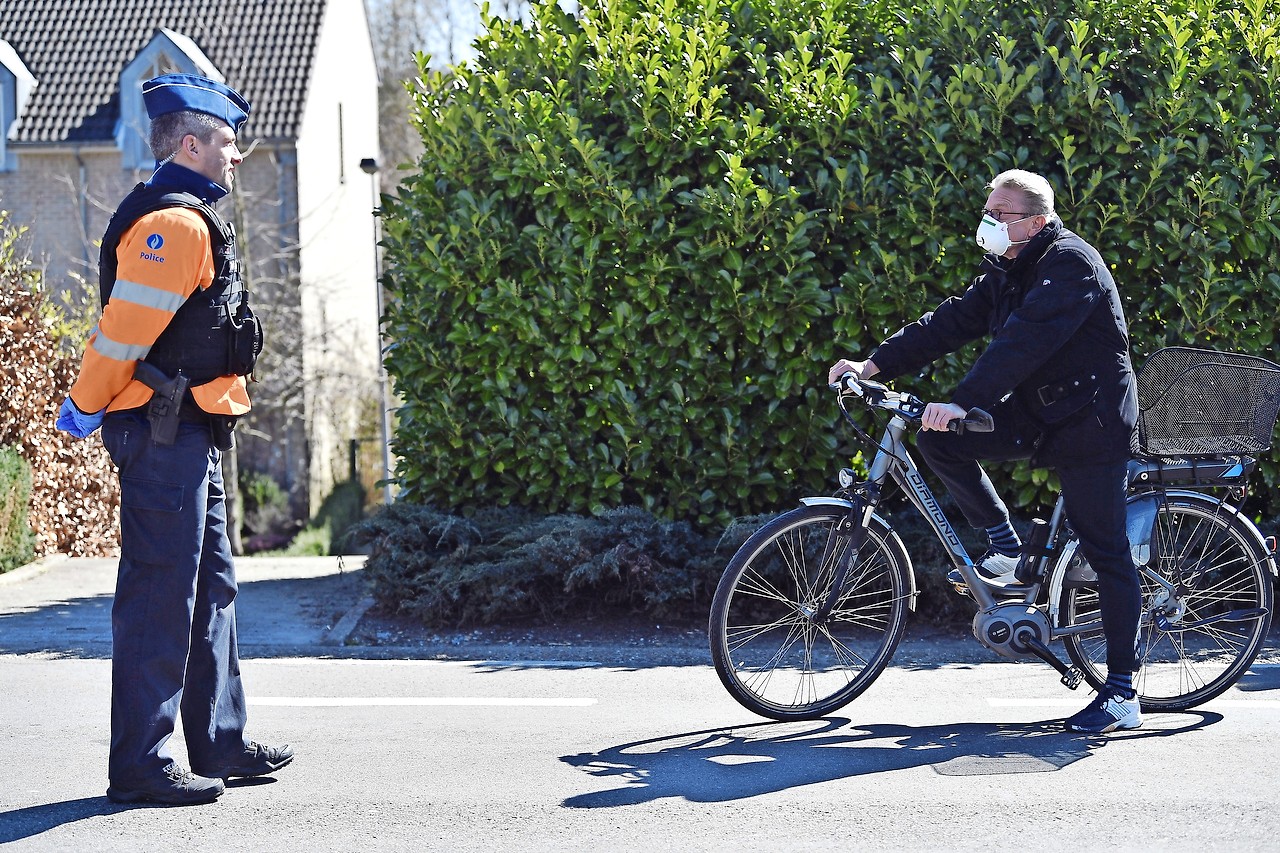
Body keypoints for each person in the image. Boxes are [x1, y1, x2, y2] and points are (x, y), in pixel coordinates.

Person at [827, 169, 1143, 734]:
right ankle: (1005, 546)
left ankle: (1122, 691)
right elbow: (948, 323)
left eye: (1001, 215)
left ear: (1036, 222)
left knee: (1105, 547)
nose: (989, 222)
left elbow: (1022, 344)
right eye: (988, 211)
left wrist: (963, 400)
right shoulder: (1009, 266)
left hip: (1091, 420)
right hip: (1042, 409)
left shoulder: (1071, 265)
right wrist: (870, 366)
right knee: (935, 439)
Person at [55, 73, 292, 804]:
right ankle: (141, 762)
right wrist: (84, 404)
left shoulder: (191, 216)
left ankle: (218, 739)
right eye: (226, 140)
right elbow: (124, 332)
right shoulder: (174, 225)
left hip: (191, 431)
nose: (236, 154)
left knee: (211, 585)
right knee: (163, 593)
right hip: (162, 435)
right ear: (190, 144)